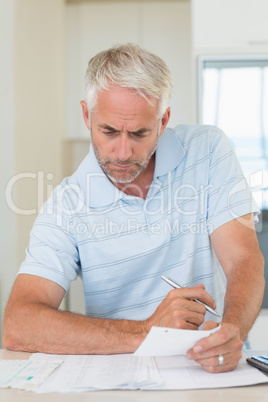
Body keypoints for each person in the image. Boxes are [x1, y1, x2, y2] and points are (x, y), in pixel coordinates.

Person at [3, 43, 265, 373]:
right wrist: (146, 331)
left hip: (211, 371)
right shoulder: (66, 206)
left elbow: (244, 258)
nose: (123, 152)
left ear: (163, 120)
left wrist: (232, 330)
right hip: (120, 378)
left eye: (139, 133)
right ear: (87, 115)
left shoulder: (208, 151)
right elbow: (18, 324)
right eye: (109, 131)